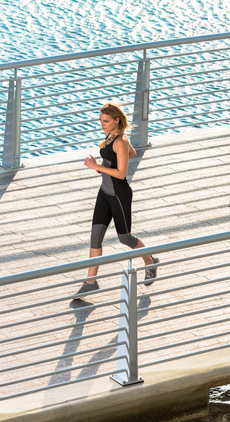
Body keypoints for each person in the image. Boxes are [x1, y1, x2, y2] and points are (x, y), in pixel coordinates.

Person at [75, 102, 159, 299]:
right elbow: (132, 153)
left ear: (116, 120)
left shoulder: (120, 140)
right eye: (101, 120)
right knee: (95, 237)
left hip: (119, 196)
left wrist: (98, 166)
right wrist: (102, 167)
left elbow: (121, 174)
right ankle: (90, 282)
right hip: (104, 193)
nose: (102, 124)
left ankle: (150, 261)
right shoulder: (112, 135)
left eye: (106, 121)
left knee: (125, 238)